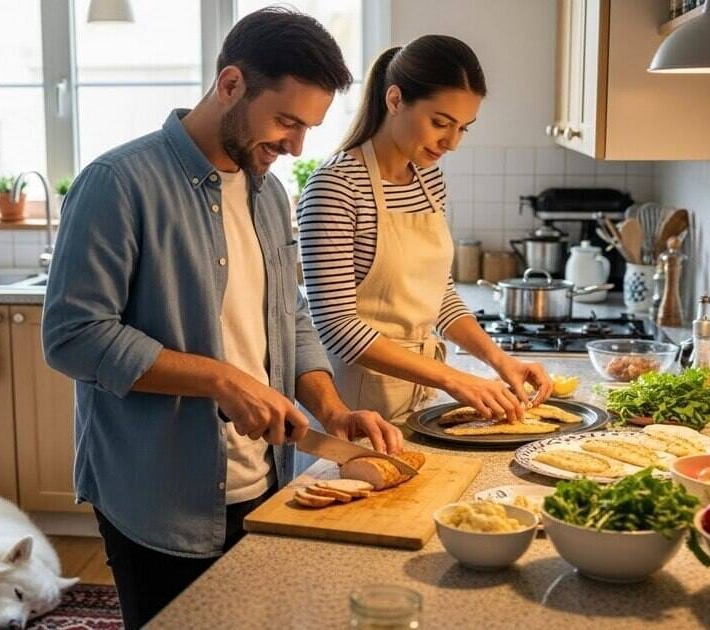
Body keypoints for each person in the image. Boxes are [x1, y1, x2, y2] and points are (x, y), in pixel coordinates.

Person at [41, 8, 403, 628]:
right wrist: (220, 379)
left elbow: (289, 317)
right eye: (286, 120)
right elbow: (73, 337)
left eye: (308, 127)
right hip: (159, 498)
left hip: (263, 478)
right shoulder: (117, 182)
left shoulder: (270, 194)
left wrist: (333, 410)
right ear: (230, 84)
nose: (295, 146)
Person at [297, 36, 552, 425]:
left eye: (464, 128)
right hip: (353, 410)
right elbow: (336, 326)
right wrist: (456, 379)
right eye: (440, 123)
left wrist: (500, 360)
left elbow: (440, 296)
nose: (451, 143)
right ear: (395, 100)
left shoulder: (427, 181)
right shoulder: (335, 186)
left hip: (419, 401)